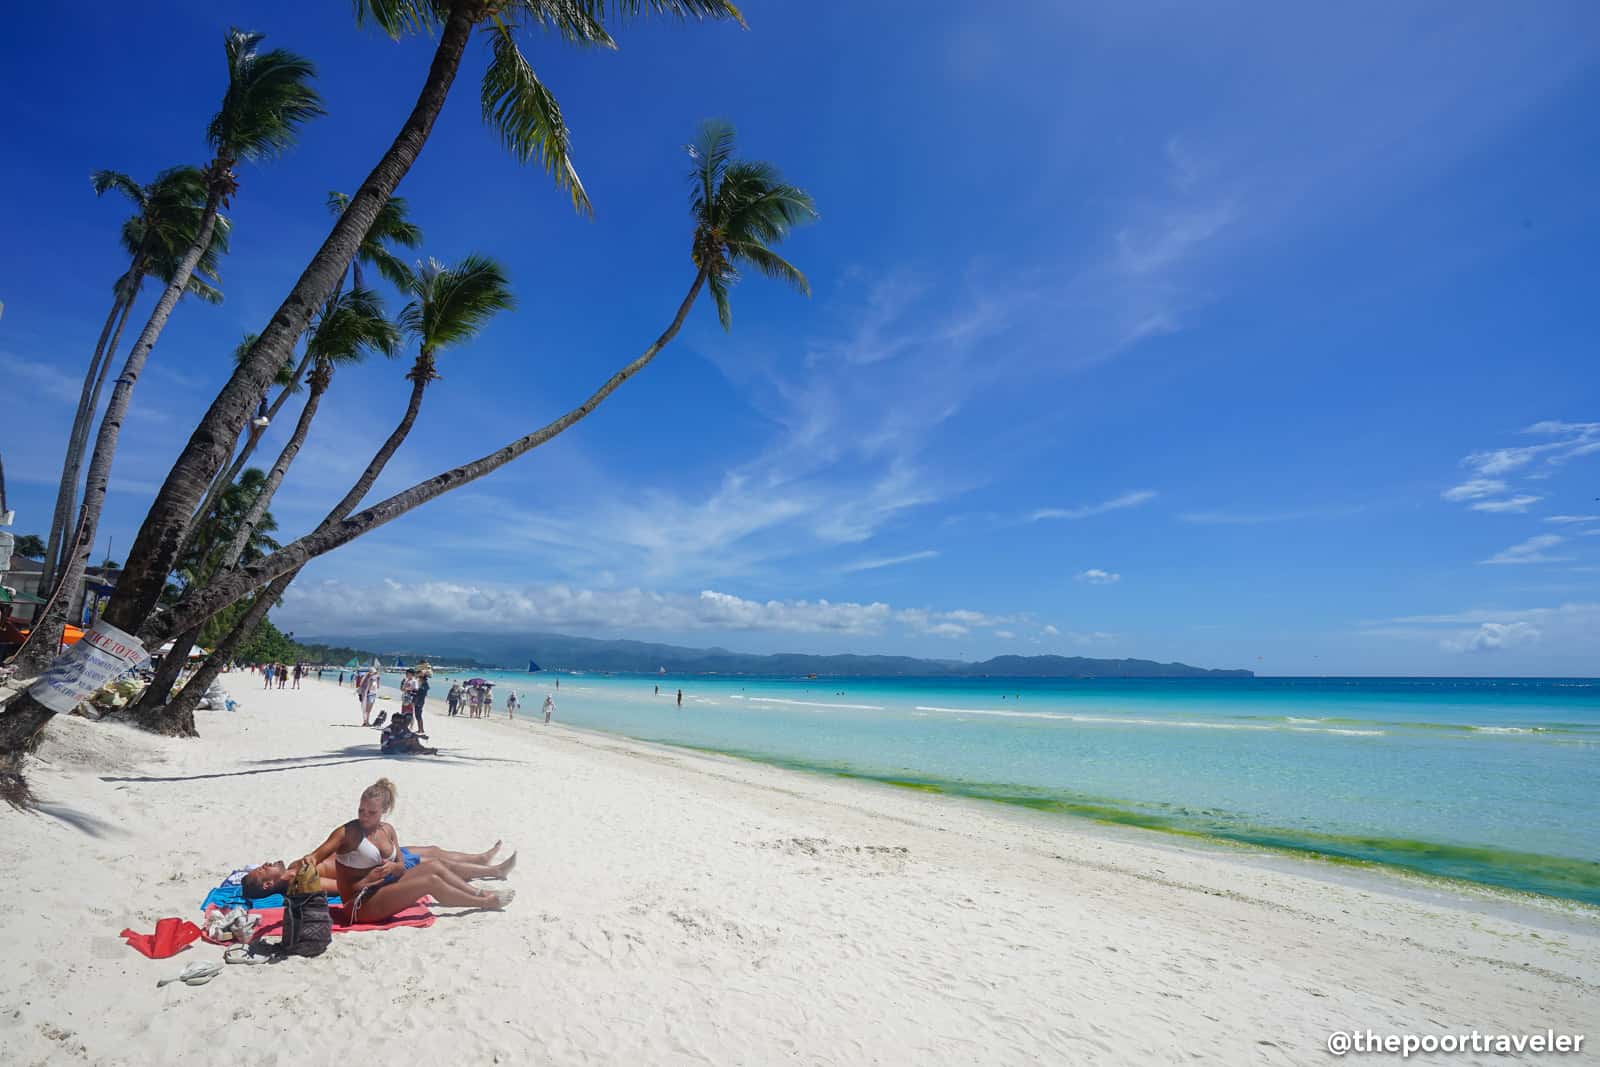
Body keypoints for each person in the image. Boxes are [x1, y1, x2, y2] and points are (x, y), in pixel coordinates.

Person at [242, 778, 514, 922]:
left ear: (383, 811)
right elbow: (319, 855)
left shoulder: (387, 830)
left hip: (382, 887)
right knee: (430, 880)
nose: (364, 816)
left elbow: (398, 863)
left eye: (370, 812)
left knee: (435, 865)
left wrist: (396, 867)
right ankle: (485, 901)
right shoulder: (346, 832)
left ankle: (481, 890)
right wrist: (310, 867)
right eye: (361, 810)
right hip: (360, 904)